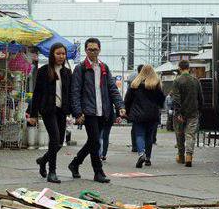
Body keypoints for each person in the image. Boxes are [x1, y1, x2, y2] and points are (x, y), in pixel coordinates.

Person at [69, 38, 126, 183]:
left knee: (92, 142)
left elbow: (112, 89)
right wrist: (77, 112)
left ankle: (75, 163)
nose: (92, 52)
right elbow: (75, 92)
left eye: (95, 49)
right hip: (88, 112)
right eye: (90, 49)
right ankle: (98, 172)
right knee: (95, 141)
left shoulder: (104, 68)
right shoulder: (80, 68)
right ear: (86, 51)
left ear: (99, 50)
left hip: (104, 111)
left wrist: (120, 106)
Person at [27, 43, 71, 183]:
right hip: (48, 110)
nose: (61, 56)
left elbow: (69, 93)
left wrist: (74, 112)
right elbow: (37, 93)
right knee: (55, 138)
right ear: (52, 54)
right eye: (58, 53)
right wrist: (33, 114)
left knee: (59, 143)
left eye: (63, 54)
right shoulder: (43, 71)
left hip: (61, 111)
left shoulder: (67, 72)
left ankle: (43, 160)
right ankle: (52, 172)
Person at [125, 64, 165, 168]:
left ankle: (141, 154)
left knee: (139, 135)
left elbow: (127, 100)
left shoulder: (135, 84)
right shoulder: (156, 84)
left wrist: (128, 112)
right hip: (152, 114)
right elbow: (161, 100)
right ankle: (148, 158)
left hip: (138, 114)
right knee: (149, 136)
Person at [171, 60, 203, 167]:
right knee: (190, 135)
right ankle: (189, 156)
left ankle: (181, 156)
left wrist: (178, 112)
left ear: (179, 68)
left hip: (180, 113)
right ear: (188, 68)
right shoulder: (195, 80)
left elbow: (176, 98)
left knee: (180, 134)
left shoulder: (177, 81)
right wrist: (200, 109)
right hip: (193, 112)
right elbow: (200, 97)